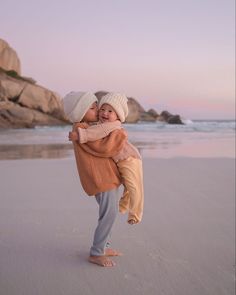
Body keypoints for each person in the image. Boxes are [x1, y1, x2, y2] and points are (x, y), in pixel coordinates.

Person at [63, 91, 127, 267]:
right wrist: (119, 134)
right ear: (80, 112)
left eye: (96, 106)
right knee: (108, 214)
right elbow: (105, 148)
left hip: (107, 177)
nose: (98, 110)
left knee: (110, 213)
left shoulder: (89, 128)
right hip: (101, 179)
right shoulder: (81, 130)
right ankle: (96, 253)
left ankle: (104, 246)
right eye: (92, 108)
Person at [70, 93, 144, 225]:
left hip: (129, 158)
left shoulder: (112, 125)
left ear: (118, 116)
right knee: (127, 185)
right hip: (119, 159)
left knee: (133, 186)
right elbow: (97, 132)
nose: (105, 113)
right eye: (102, 109)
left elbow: (95, 134)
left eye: (110, 111)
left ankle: (135, 214)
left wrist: (80, 135)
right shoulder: (102, 124)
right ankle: (123, 206)